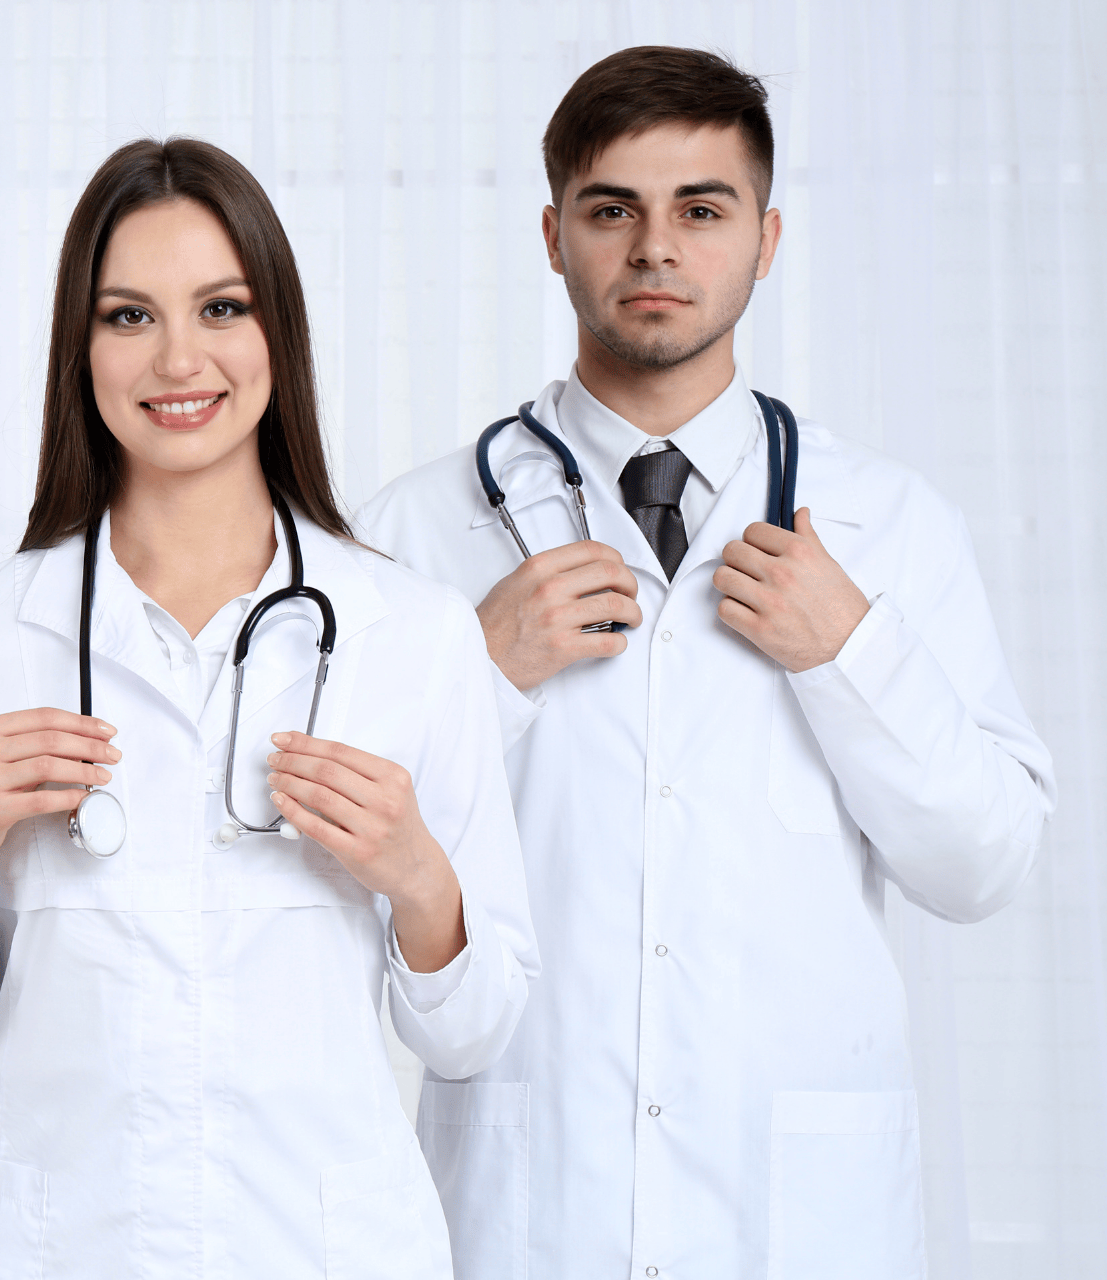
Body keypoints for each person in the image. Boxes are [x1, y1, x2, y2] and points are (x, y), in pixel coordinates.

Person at [360, 47, 1057, 1280]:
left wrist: (852, 652)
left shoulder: (889, 524)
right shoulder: (421, 530)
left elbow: (984, 862)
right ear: (553, 233)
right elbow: (341, 895)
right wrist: (482, 673)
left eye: (702, 208)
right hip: (530, 1211)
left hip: (800, 1225)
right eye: (612, 208)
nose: (655, 249)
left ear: (767, 237)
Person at [0, 137, 537, 1276]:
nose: (178, 357)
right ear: (81, 348)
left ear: (279, 332)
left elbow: (471, 1034)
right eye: (129, 316)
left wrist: (419, 875)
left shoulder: (410, 632)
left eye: (221, 306)